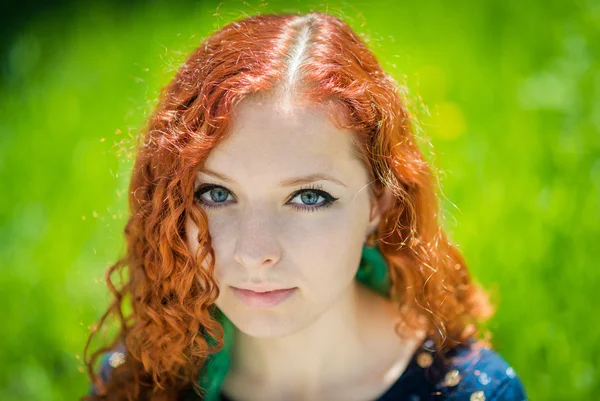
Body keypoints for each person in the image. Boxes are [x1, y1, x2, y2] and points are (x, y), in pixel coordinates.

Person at [83, 12, 527, 401]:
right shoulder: (148, 378)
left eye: (308, 197)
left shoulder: (467, 392)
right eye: (217, 194)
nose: (254, 252)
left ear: (379, 202)